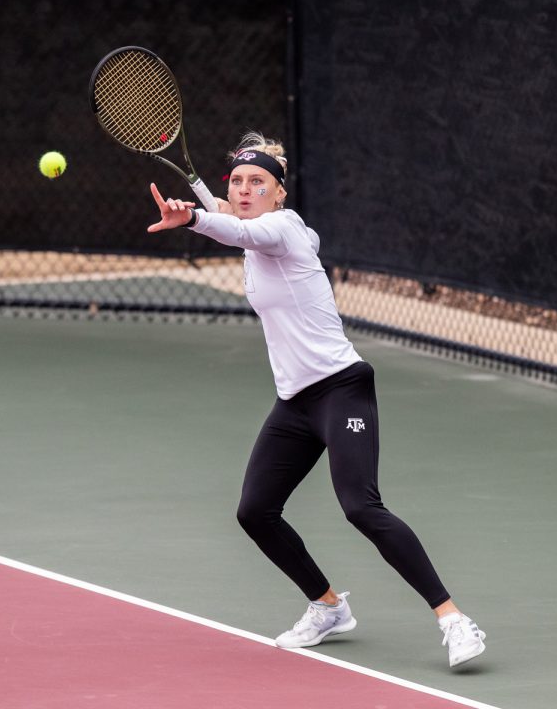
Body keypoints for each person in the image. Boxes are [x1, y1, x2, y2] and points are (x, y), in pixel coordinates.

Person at [147, 131, 486, 669]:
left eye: (257, 182)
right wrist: (198, 205)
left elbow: (233, 228)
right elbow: (232, 229)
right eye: (236, 182)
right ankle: (328, 607)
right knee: (255, 511)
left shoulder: (282, 229)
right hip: (295, 404)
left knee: (360, 507)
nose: (243, 190)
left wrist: (191, 217)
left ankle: (454, 618)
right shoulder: (254, 232)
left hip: (342, 389)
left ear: (279, 193)